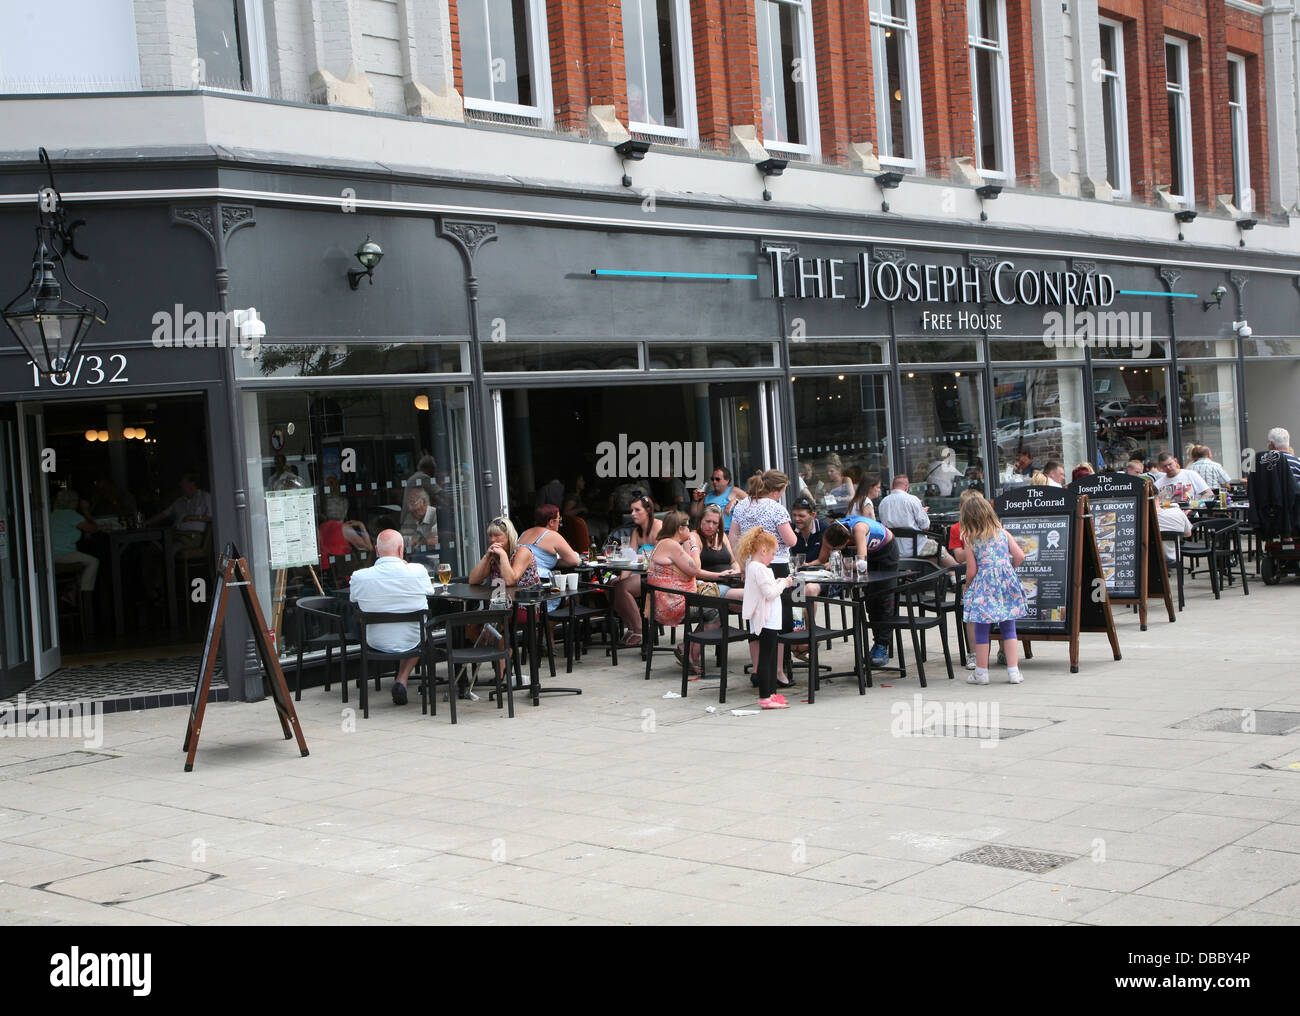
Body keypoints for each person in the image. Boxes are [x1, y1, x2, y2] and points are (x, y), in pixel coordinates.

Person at [348, 529, 435, 705]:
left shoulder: (360, 577)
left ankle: (401, 681)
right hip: (412, 639)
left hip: (375, 641)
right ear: (401, 549)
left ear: (377, 550)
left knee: (408, 629)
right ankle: (401, 679)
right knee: (418, 632)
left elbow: (353, 599)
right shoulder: (417, 571)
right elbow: (430, 591)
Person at [814, 487, 897, 668]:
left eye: (841, 547)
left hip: (885, 552)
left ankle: (883, 645)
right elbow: (822, 559)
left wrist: (842, 563)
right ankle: (876, 642)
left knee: (883, 598)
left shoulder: (858, 529)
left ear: (846, 541)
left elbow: (861, 564)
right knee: (870, 600)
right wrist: (810, 565)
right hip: (868, 554)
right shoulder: (834, 530)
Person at [729, 470, 798, 682]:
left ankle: (758, 670)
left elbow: (733, 537)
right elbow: (791, 540)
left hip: (751, 565)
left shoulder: (742, 505)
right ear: (777, 491)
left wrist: (742, 563)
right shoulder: (776, 508)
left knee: (756, 616)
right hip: (775, 565)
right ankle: (778, 671)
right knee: (776, 618)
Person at [959, 493, 1028, 686]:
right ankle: (1014, 672)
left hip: (984, 585)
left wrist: (967, 587)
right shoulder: (1003, 533)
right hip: (1006, 582)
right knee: (1009, 627)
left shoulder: (970, 539)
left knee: (981, 627)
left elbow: (971, 570)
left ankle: (981, 673)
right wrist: (1007, 570)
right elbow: (1020, 555)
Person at [648, 511, 729, 675]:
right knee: (715, 611)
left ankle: (689, 650)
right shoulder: (671, 544)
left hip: (665, 602)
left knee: (711, 604)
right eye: (688, 527)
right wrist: (693, 546)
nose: (690, 531)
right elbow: (695, 568)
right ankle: (690, 652)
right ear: (680, 528)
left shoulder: (663, 543)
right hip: (672, 605)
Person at [736, 527, 793, 710]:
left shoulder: (755, 567)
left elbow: (766, 589)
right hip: (766, 619)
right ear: (763, 550)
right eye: (773, 553)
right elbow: (769, 593)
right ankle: (765, 696)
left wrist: (778, 583)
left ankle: (771, 693)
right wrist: (783, 583)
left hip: (769, 618)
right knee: (767, 658)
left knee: (770, 656)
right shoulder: (758, 568)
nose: (773, 558)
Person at [611, 494, 663, 647]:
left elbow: (661, 555)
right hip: (642, 574)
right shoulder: (636, 532)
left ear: (648, 510)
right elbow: (630, 559)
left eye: (636, 510)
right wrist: (621, 576)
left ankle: (640, 629)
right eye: (631, 510)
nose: (632, 514)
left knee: (623, 587)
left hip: (658, 574)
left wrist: (638, 557)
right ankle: (632, 626)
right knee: (611, 586)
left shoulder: (659, 527)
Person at [946, 489, 985, 670]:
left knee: (1000, 614)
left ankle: (1002, 648)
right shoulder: (957, 528)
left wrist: (971, 547)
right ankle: (973, 653)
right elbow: (959, 556)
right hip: (969, 578)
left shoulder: (990, 526)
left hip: (988, 576)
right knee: (971, 614)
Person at [516, 504, 582, 609]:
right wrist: (556, 561)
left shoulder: (525, 533)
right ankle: (547, 625)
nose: (560, 523)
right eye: (559, 519)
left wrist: (552, 560)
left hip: (521, 584)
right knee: (573, 597)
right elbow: (573, 560)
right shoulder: (552, 535)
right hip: (540, 584)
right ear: (551, 522)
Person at [51, 488, 100, 607]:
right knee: (93, 562)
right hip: (65, 554)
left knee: (82, 563)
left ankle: (71, 592)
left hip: (52, 555)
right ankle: (85, 597)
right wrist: (86, 510)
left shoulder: (53, 513)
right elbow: (94, 528)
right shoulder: (71, 515)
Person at [145, 472, 212, 551]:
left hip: (193, 536)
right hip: (176, 534)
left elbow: (211, 518)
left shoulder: (205, 496)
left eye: (183, 482)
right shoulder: (179, 501)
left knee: (169, 549)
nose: (180, 485)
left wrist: (194, 517)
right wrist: (146, 522)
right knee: (152, 548)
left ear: (192, 483)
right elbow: (163, 514)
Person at [877, 475, 930, 558]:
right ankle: (953, 570)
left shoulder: (883, 502)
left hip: (892, 549)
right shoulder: (912, 500)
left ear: (892, 487)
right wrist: (923, 512)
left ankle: (910, 568)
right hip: (915, 547)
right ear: (907, 488)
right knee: (942, 550)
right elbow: (926, 526)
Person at [694, 504, 741, 596]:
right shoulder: (694, 538)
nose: (711, 526)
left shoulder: (722, 536)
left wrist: (736, 572)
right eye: (707, 521)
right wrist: (719, 576)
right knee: (749, 596)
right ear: (700, 521)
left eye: (715, 523)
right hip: (712, 586)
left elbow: (733, 562)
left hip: (732, 581)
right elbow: (695, 571)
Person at [690, 465, 745, 532]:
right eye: (712, 479)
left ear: (727, 480)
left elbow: (752, 500)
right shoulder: (708, 495)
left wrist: (735, 501)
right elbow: (695, 514)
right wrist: (695, 500)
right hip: (709, 532)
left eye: (717, 479)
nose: (714, 482)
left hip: (727, 532)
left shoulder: (734, 491)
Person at [790, 496, 826, 562]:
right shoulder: (790, 529)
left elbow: (836, 552)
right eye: (794, 515)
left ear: (813, 515)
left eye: (801, 516)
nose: (796, 519)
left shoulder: (824, 529)